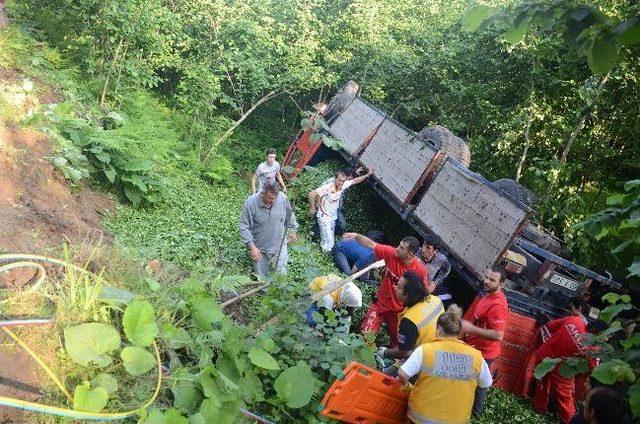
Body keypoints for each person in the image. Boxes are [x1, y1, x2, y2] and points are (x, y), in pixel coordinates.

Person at [397, 304, 493, 424]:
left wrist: (408, 387)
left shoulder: (425, 350)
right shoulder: (477, 357)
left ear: (438, 328)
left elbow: (402, 373)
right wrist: (475, 412)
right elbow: (485, 384)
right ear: (459, 332)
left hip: (420, 417)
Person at [343, 232, 429, 348]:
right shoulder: (391, 253)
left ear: (410, 255)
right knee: (366, 335)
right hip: (380, 304)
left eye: (402, 248)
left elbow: (423, 293)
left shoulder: (419, 270)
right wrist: (356, 236)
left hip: (399, 313)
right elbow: (372, 244)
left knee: (397, 344)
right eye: (399, 245)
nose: (397, 249)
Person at [533, 300, 594, 423]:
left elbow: (550, 326)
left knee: (542, 384)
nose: (569, 311)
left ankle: (539, 409)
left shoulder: (573, 320)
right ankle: (570, 420)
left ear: (580, 309)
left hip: (545, 357)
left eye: (571, 308)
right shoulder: (592, 347)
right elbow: (591, 368)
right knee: (565, 397)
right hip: (563, 369)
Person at [461, 267, 509, 416]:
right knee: (476, 383)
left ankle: (475, 414)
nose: (486, 281)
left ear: (501, 284)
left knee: (479, 385)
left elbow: (498, 336)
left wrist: (471, 329)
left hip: (484, 353)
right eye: (486, 277)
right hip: (476, 349)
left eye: (492, 280)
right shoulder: (488, 295)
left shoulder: (497, 305)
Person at [377, 271, 444, 375]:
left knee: (383, 377)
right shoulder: (436, 300)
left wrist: (385, 352)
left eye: (399, 287)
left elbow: (405, 352)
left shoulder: (410, 320)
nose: (395, 288)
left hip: (424, 364)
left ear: (408, 294)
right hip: (441, 353)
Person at [239, 182, 298, 277]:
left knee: (281, 275)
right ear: (263, 193)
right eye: (270, 198)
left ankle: (279, 291)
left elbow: (290, 215)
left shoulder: (282, 198)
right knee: (263, 279)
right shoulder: (251, 202)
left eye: (275, 198)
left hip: (280, 245)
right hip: (260, 248)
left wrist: (292, 229)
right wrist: (252, 247)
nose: (273, 201)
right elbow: (244, 226)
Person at [308, 168, 373, 252]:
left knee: (328, 237)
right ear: (334, 179)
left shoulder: (343, 185)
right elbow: (312, 194)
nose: (341, 183)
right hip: (324, 216)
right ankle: (321, 252)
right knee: (328, 241)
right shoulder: (328, 187)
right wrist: (312, 207)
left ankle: (319, 249)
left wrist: (367, 175)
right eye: (339, 180)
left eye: (343, 181)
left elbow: (355, 181)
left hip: (332, 216)